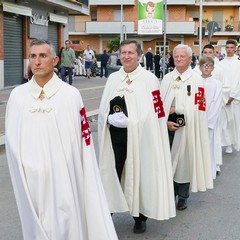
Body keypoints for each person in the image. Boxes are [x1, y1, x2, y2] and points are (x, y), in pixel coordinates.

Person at [5, 39, 118, 240]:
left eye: (43, 56)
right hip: (29, 176)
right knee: (36, 223)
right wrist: (26, 166)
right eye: (33, 56)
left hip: (64, 174)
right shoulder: (17, 96)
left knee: (66, 223)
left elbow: (82, 139)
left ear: (55, 60)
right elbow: (12, 138)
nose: (37, 61)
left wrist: (63, 165)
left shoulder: (70, 95)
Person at [98, 40, 176, 234]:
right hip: (115, 136)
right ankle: (106, 213)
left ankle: (139, 217)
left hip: (141, 136)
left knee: (139, 174)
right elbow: (102, 106)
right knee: (111, 173)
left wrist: (133, 121)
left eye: (130, 53)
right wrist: (109, 117)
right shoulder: (113, 78)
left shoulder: (149, 79)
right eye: (123, 52)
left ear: (139, 55)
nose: (126, 56)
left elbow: (156, 110)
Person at [160, 44, 213, 211]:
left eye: (182, 56)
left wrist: (178, 109)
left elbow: (201, 106)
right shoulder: (167, 78)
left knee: (184, 162)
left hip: (188, 128)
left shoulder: (197, 80)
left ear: (190, 59)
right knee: (166, 161)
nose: (179, 58)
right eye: (176, 56)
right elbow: (158, 104)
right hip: (167, 126)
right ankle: (169, 194)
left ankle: (182, 197)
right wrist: (165, 118)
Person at [214, 39, 240, 154]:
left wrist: (233, 95)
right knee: (224, 123)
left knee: (234, 122)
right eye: (227, 47)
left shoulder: (238, 63)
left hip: (235, 98)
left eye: (231, 47)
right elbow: (218, 81)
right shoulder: (220, 64)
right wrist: (225, 97)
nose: (229, 50)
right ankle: (227, 144)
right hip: (224, 99)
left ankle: (235, 143)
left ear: (235, 49)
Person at [199, 56, 223, 179]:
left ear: (213, 68)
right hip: (197, 121)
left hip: (209, 122)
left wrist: (208, 121)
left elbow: (216, 103)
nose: (206, 67)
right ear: (200, 67)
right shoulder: (196, 82)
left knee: (209, 147)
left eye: (209, 65)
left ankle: (209, 173)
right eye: (204, 65)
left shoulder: (217, 84)